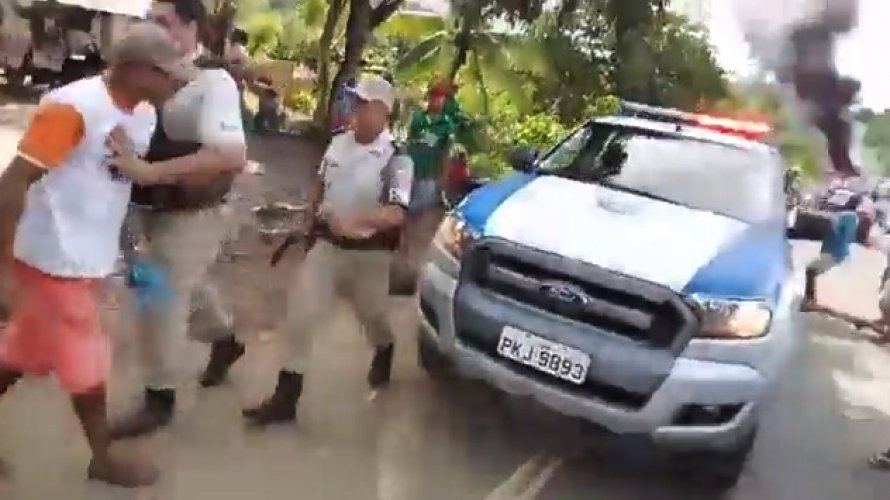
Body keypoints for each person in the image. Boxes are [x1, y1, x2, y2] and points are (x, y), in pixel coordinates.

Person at [0, 22, 195, 487]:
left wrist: (128, 251)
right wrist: (4, 272)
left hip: (85, 260)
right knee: (86, 361)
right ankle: (102, 457)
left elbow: (114, 187)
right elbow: (11, 184)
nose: (176, 84)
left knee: (19, 354)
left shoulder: (143, 115)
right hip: (51, 260)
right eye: (168, 75)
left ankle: (101, 455)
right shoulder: (73, 109)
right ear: (139, 71)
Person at [106, 0, 248, 440]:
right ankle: (225, 339)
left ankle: (159, 396)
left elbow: (230, 154)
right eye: (148, 21)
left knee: (160, 296)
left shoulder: (213, 82)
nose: (153, 30)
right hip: (152, 208)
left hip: (195, 212)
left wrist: (150, 172)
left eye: (163, 23)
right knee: (183, 284)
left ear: (192, 27)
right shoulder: (152, 74)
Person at [241, 75, 412, 427]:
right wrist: (310, 219)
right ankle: (285, 400)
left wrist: (357, 219)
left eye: (363, 103)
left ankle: (384, 346)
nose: (354, 108)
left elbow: (397, 213)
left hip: (370, 256)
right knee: (301, 316)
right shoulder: (338, 144)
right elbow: (321, 182)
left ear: (382, 111)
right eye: (354, 101)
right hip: (328, 248)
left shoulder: (397, 160)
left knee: (372, 315)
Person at [802, 192, 880, 310]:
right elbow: (848, 236)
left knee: (811, 271)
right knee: (811, 271)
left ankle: (810, 300)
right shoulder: (847, 216)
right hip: (832, 250)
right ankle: (810, 299)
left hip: (834, 252)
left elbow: (847, 236)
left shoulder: (847, 216)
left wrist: (834, 229)